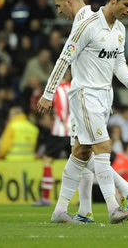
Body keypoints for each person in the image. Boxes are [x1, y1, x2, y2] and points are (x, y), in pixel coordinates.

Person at [37, 0, 128, 224]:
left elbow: (119, 63)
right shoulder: (87, 24)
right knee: (103, 147)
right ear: (113, 0)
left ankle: (60, 211)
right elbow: (64, 58)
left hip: (105, 97)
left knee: (82, 152)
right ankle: (114, 207)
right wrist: (48, 93)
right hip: (85, 94)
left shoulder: (120, 30)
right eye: (126, 5)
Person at [32, 70, 96, 224]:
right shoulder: (76, 86)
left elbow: (60, 109)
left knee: (47, 160)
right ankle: (84, 201)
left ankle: (46, 198)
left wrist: (61, 120)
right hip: (76, 130)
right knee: (84, 163)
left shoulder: (58, 89)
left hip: (60, 130)